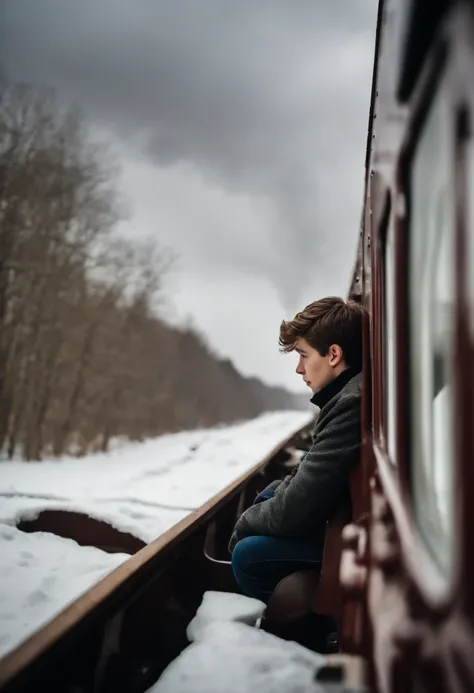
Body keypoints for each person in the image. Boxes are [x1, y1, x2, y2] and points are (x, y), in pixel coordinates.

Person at [228, 296, 364, 648]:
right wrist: (270, 494)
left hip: (358, 544)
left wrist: (244, 523)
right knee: (268, 502)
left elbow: (299, 507)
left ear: (333, 355)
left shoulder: (350, 403)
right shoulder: (344, 395)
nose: (299, 369)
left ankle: (311, 634)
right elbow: (307, 473)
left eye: (303, 355)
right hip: (345, 524)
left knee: (248, 555)